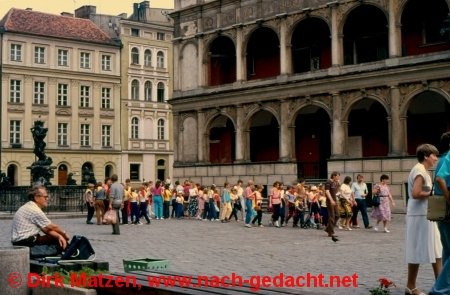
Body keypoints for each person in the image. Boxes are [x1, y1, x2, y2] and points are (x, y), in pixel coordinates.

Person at [405, 144, 442, 295]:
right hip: (420, 216)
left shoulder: (422, 170)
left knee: (436, 249)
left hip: (423, 214)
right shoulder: (420, 170)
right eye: (434, 155)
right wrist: (433, 193)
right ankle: (412, 286)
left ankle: (439, 284)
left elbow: (421, 192)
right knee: (420, 250)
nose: (436, 158)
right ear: (426, 156)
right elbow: (415, 193)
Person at [11, 185, 70, 253]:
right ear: (36, 198)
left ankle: (67, 252)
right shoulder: (35, 210)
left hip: (20, 241)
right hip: (25, 242)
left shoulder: (29, 206)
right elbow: (53, 227)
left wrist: (59, 236)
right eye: (45, 197)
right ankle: (71, 253)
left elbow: (46, 229)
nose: (47, 199)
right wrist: (64, 234)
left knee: (55, 237)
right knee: (56, 240)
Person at [430, 132, 450, 295]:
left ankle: (444, 286)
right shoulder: (449, 157)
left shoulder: (442, 158)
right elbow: (440, 179)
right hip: (448, 208)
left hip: (441, 211)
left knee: (448, 250)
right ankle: (440, 290)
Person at [324, 172, 340, 242]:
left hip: (335, 201)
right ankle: (330, 232)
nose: (338, 178)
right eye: (337, 176)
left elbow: (336, 192)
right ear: (333, 176)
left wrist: (338, 185)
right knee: (332, 216)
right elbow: (327, 192)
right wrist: (331, 200)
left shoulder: (334, 183)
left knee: (337, 215)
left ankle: (328, 229)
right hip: (330, 201)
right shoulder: (328, 182)